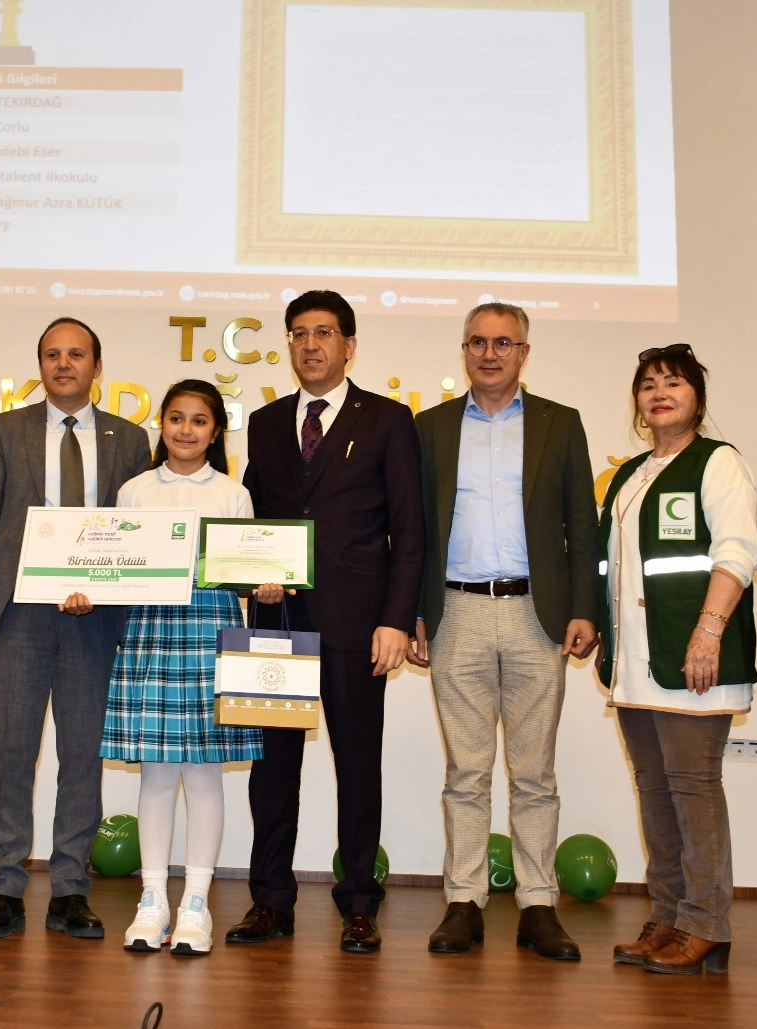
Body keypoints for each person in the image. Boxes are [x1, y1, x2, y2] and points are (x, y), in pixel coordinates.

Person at [228, 290, 424, 955]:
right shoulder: (264, 422)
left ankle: (359, 903)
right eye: (299, 333)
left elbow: (409, 530)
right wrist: (247, 573)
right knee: (272, 770)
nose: (310, 345)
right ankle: (269, 900)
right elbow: (253, 520)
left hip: (357, 623)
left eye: (324, 333)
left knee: (357, 766)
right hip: (277, 619)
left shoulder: (388, 420)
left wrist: (396, 619)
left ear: (349, 345)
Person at [413, 301, 598, 961]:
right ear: (463, 350)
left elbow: (582, 523)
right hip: (455, 611)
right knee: (465, 770)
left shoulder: (559, 423)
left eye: (503, 343)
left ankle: (537, 905)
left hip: (535, 613)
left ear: (523, 352)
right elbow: (414, 530)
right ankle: (463, 900)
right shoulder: (430, 426)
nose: (489, 354)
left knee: (534, 772)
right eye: (477, 342)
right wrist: (412, 610)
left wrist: (584, 607)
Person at [0, 317, 152, 939]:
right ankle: (4, 888)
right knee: (12, 753)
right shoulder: (7, 429)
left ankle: (70, 889)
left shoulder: (130, 438)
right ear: (39, 365)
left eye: (76, 354)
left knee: (82, 757)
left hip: (95, 619)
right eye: (52, 354)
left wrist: (110, 590)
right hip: (19, 615)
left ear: (97, 366)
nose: (63, 364)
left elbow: (138, 533)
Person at [594, 344, 757, 974]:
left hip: (693, 658)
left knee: (693, 790)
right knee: (655, 792)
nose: (659, 393)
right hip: (636, 663)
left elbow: (737, 552)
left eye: (674, 382)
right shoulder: (631, 475)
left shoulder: (717, 463)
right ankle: (665, 917)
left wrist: (708, 632)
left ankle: (706, 923)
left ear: (698, 397)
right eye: (648, 384)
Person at [101, 380, 263, 956]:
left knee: (204, 773)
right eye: (176, 418)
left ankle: (196, 903)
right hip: (149, 630)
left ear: (215, 431)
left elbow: (246, 572)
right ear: (162, 425)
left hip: (211, 628)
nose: (186, 430)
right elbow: (114, 565)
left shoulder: (233, 494)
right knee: (156, 774)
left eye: (199, 420)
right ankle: (152, 900)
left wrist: (263, 584)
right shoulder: (135, 491)